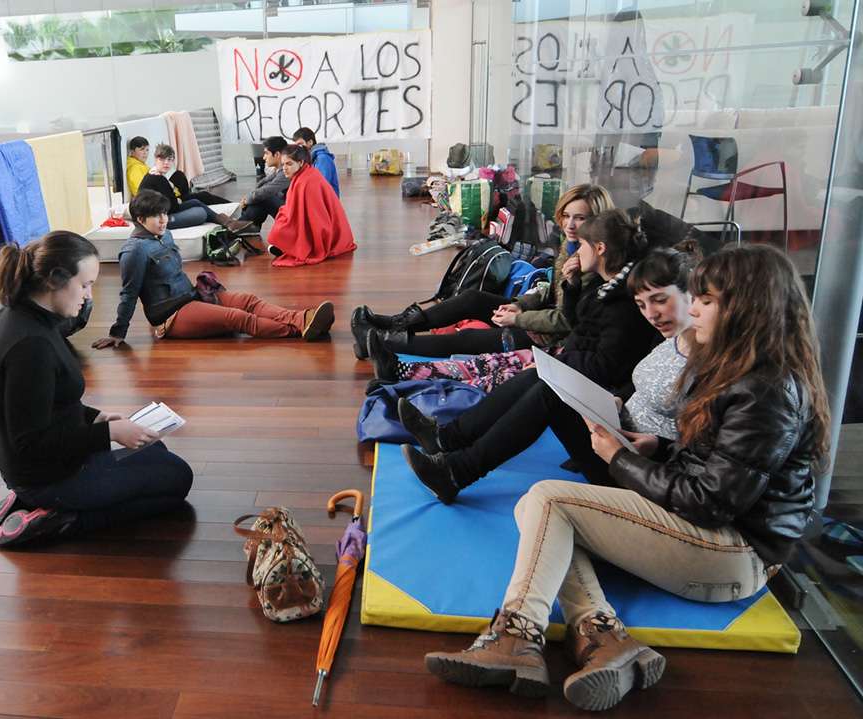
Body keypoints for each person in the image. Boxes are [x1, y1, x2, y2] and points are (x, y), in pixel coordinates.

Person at [423, 244, 830, 712]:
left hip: (733, 555)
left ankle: (516, 634)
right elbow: (725, 469)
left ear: (749, 308)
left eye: (707, 300)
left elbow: (711, 502)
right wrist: (662, 449)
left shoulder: (766, 391)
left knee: (548, 502)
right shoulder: (747, 373)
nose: (693, 309)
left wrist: (620, 459)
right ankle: (604, 638)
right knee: (537, 512)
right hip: (717, 540)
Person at [398, 209, 659, 503]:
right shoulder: (604, 287)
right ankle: (446, 441)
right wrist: (570, 288)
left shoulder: (624, 303)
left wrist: (558, 364)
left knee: (546, 389)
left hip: (618, 447)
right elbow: (579, 329)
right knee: (538, 377)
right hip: (598, 395)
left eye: (583, 241)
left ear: (600, 248)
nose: (575, 239)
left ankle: (456, 469)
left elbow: (605, 365)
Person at [0, 231, 194, 547]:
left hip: (53, 461)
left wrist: (96, 417)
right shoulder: (31, 346)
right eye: (85, 285)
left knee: (155, 450)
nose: (89, 296)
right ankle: (58, 518)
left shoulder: (29, 318)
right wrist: (109, 434)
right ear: (54, 279)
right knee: (178, 479)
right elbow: (30, 443)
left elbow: (49, 402)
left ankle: (40, 503)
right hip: (46, 476)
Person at [350, 184, 616, 359]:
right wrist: (522, 305)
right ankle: (394, 324)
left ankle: (381, 343)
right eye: (567, 215)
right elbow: (551, 288)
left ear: (598, 222)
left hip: (553, 339)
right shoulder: (572, 245)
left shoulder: (595, 264)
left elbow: (565, 320)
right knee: (472, 299)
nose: (570, 224)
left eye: (579, 218)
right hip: (539, 317)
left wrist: (519, 318)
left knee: (467, 340)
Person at [92, 190, 335, 347]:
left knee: (248, 300)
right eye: (157, 216)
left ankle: (302, 318)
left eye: (165, 213)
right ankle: (297, 329)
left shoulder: (165, 236)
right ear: (140, 219)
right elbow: (128, 293)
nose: (164, 220)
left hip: (192, 297)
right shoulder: (133, 250)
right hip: (170, 317)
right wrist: (118, 333)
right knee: (238, 318)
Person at [265, 144, 357, 267]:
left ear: (301, 162)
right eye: (283, 164)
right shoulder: (305, 175)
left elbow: (318, 218)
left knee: (278, 229)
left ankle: (291, 247)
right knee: (280, 224)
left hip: (327, 230)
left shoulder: (306, 181)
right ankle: (287, 246)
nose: (284, 169)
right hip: (329, 227)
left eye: (289, 164)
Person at [138, 144, 247, 232]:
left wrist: (178, 199)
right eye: (162, 159)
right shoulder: (157, 178)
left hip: (162, 212)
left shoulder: (155, 174)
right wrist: (179, 200)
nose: (166, 163)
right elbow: (173, 207)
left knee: (196, 201)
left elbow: (171, 203)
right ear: (156, 159)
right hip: (156, 220)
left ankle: (229, 223)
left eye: (170, 160)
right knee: (200, 213)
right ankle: (229, 222)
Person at [239, 136, 290, 228]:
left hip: (292, 216)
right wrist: (249, 198)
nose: (264, 157)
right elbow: (263, 185)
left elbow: (267, 191)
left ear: (277, 154)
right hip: (286, 210)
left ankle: (241, 226)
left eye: (266, 153)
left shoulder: (286, 171)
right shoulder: (279, 170)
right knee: (258, 198)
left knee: (263, 197)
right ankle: (247, 227)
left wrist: (248, 199)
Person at [293, 127, 340, 197]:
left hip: (327, 202)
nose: (299, 148)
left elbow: (321, 185)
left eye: (300, 144)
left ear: (310, 142)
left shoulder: (322, 158)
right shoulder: (310, 158)